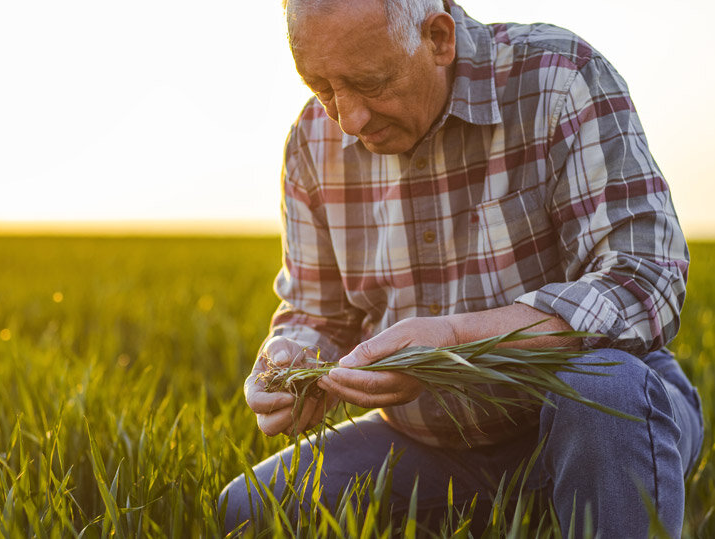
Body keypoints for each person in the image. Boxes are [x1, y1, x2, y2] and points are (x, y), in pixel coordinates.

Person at [220, 0, 704, 536]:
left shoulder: (560, 78)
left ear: (438, 39)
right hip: (429, 444)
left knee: (606, 390)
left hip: (590, 420)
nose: (349, 120)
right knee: (245, 510)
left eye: (370, 83)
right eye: (321, 87)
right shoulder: (311, 142)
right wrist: (291, 360)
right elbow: (318, 313)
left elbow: (643, 280)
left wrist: (452, 340)